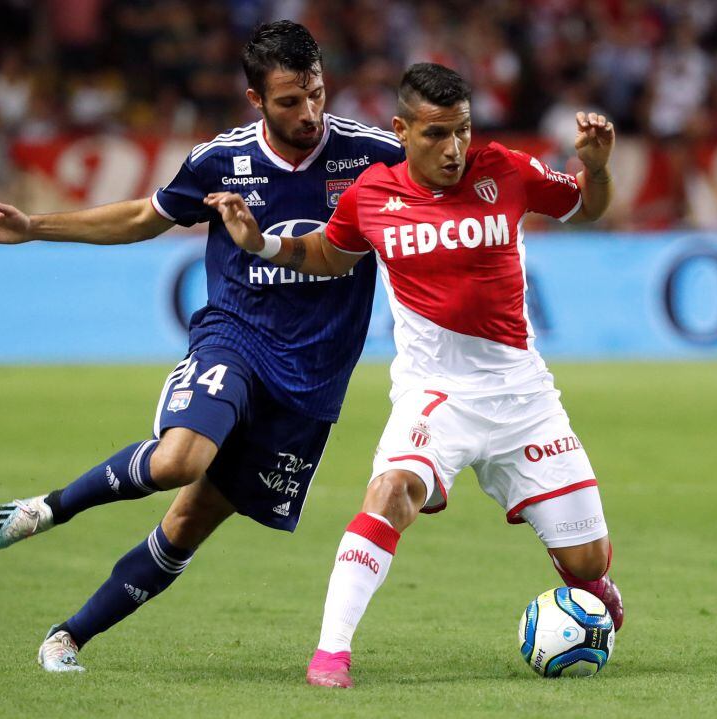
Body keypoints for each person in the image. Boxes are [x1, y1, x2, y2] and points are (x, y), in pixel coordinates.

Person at [0, 21, 404, 673]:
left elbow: (447, 202)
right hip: (237, 338)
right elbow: (146, 215)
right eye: (288, 100)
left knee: (188, 523)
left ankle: (67, 636)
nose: (308, 112)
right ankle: (47, 507)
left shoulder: (373, 155)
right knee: (177, 461)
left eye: (316, 93)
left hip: (312, 380)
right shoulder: (221, 160)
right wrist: (34, 228)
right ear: (255, 100)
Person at [205, 62, 623, 689]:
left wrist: (599, 168)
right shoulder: (371, 195)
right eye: (435, 135)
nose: (453, 149)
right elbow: (326, 253)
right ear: (400, 129)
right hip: (435, 395)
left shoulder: (505, 169)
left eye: (461, 131)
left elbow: (586, 209)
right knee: (391, 490)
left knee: (587, 561)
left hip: (523, 397)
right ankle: (330, 655)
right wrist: (261, 244)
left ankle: (591, 591)